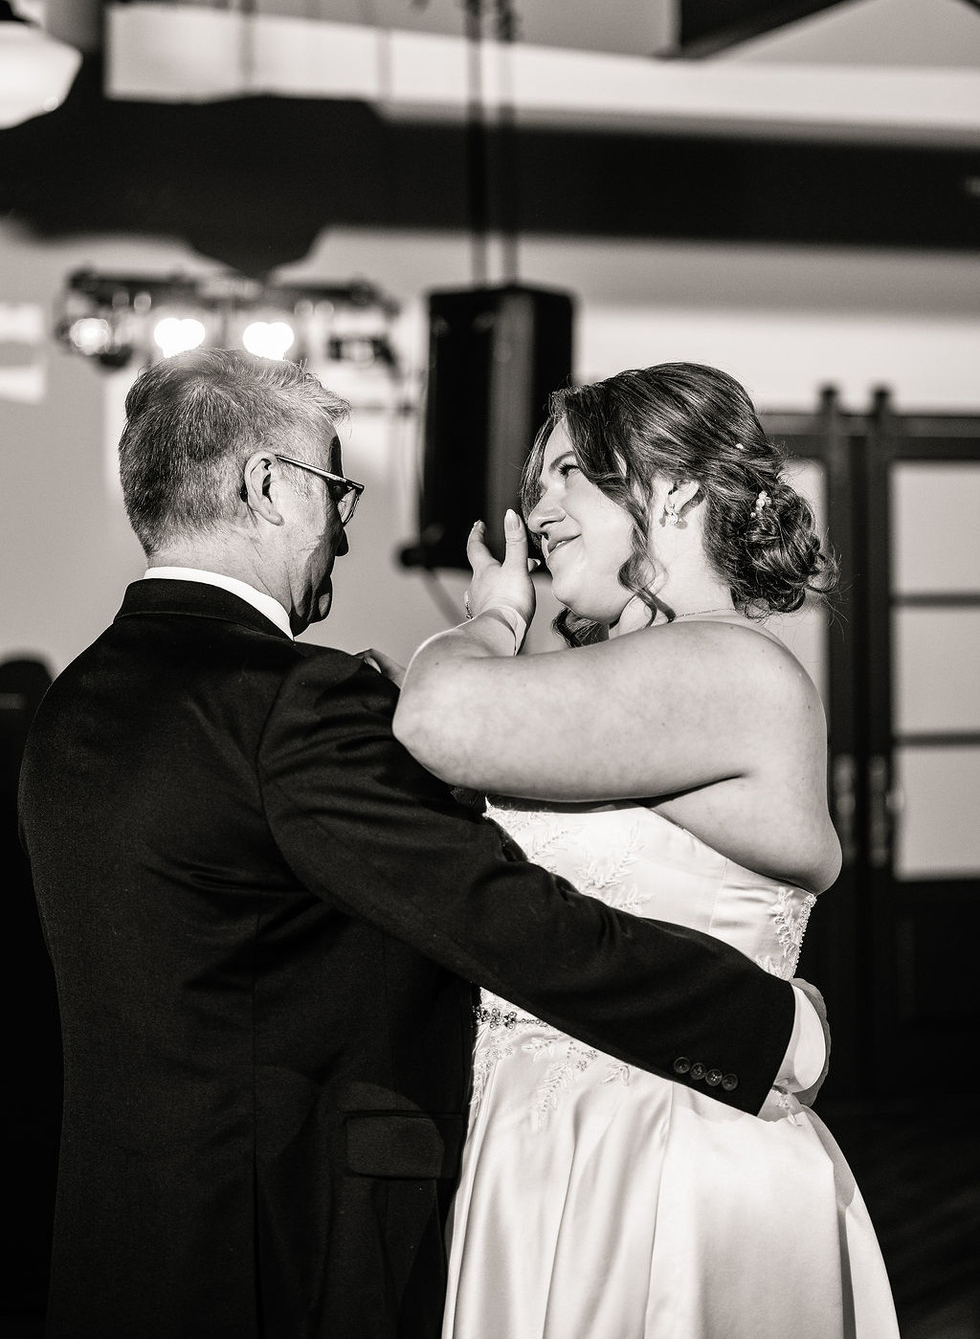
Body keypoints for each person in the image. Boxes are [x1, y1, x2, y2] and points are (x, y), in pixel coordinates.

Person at [19, 350, 829, 1339]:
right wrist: (761, 1025)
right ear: (269, 487)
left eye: (567, 473)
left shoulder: (74, 703)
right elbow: (487, 904)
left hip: (639, 1153)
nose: (348, 529)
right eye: (336, 488)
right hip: (303, 1219)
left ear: (671, 488)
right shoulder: (286, 703)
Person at [392, 362, 900, 1339]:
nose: (532, 506)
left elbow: (440, 712)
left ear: (666, 487)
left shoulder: (726, 665)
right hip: (551, 1151)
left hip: (660, 1164)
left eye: (564, 475)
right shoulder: (630, 677)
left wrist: (493, 615)